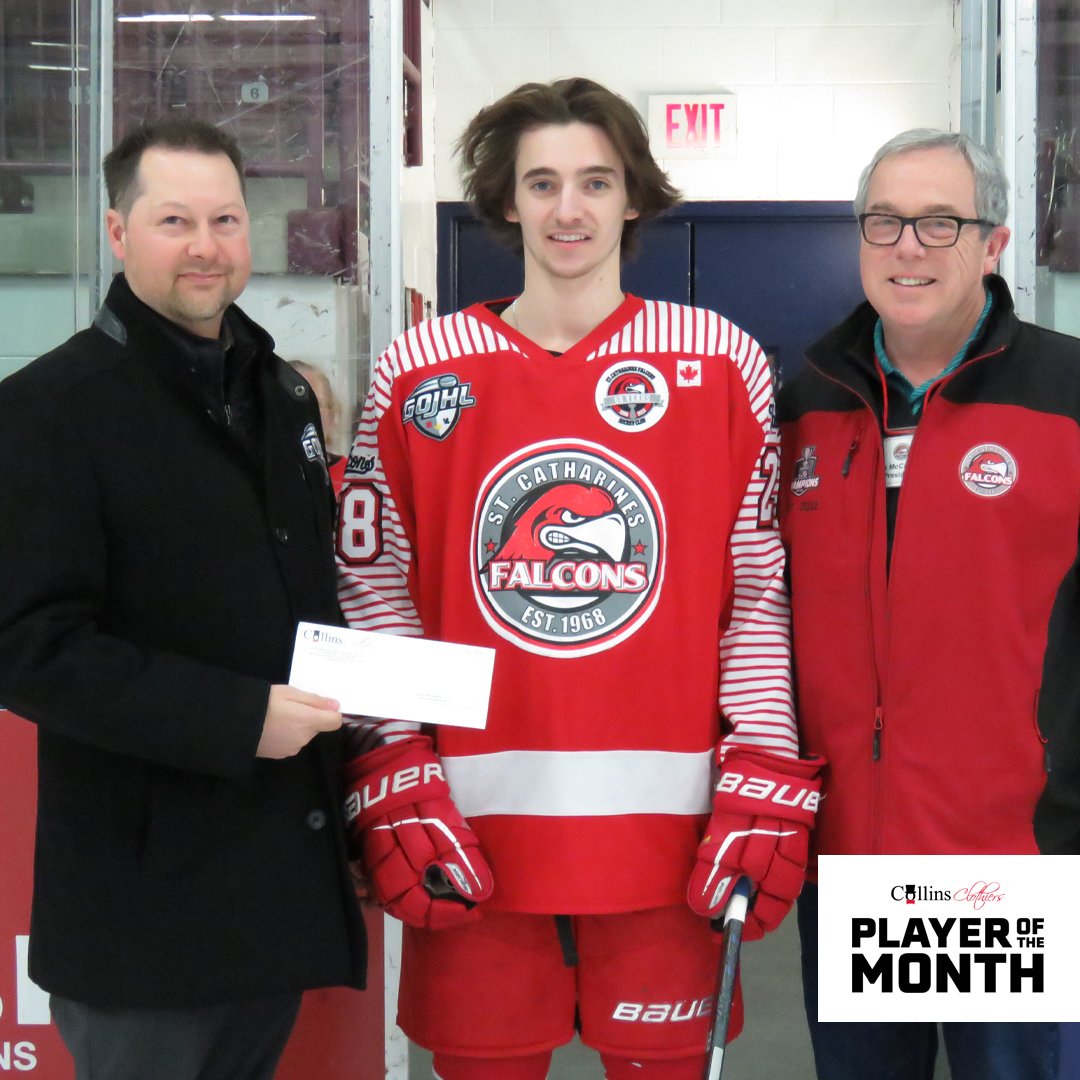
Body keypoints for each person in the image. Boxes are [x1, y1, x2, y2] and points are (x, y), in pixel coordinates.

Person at [336, 77, 822, 1080]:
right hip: (468, 829)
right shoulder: (422, 366)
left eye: (595, 182)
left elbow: (756, 588)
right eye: (543, 182)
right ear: (506, 200)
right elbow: (376, 582)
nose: (569, 209)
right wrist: (392, 757)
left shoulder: (718, 360)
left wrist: (764, 770)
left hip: (671, 845)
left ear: (632, 197)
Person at [0, 115, 366, 1079]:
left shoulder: (282, 397)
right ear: (119, 235)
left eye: (226, 219)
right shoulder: (48, 411)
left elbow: (301, 597)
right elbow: (27, 645)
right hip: (141, 906)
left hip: (270, 880)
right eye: (174, 220)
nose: (206, 247)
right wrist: (237, 715)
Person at [778, 128, 1076, 1080]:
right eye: (885, 221)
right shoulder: (803, 404)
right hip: (852, 864)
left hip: (1011, 865)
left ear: (991, 244)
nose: (908, 245)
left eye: (939, 222)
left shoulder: (1069, 396)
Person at [289, 359, 348, 495]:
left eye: (315, 404)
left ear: (333, 414)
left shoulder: (352, 477)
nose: (303, 413)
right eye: (290, 403)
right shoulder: (257, 477)